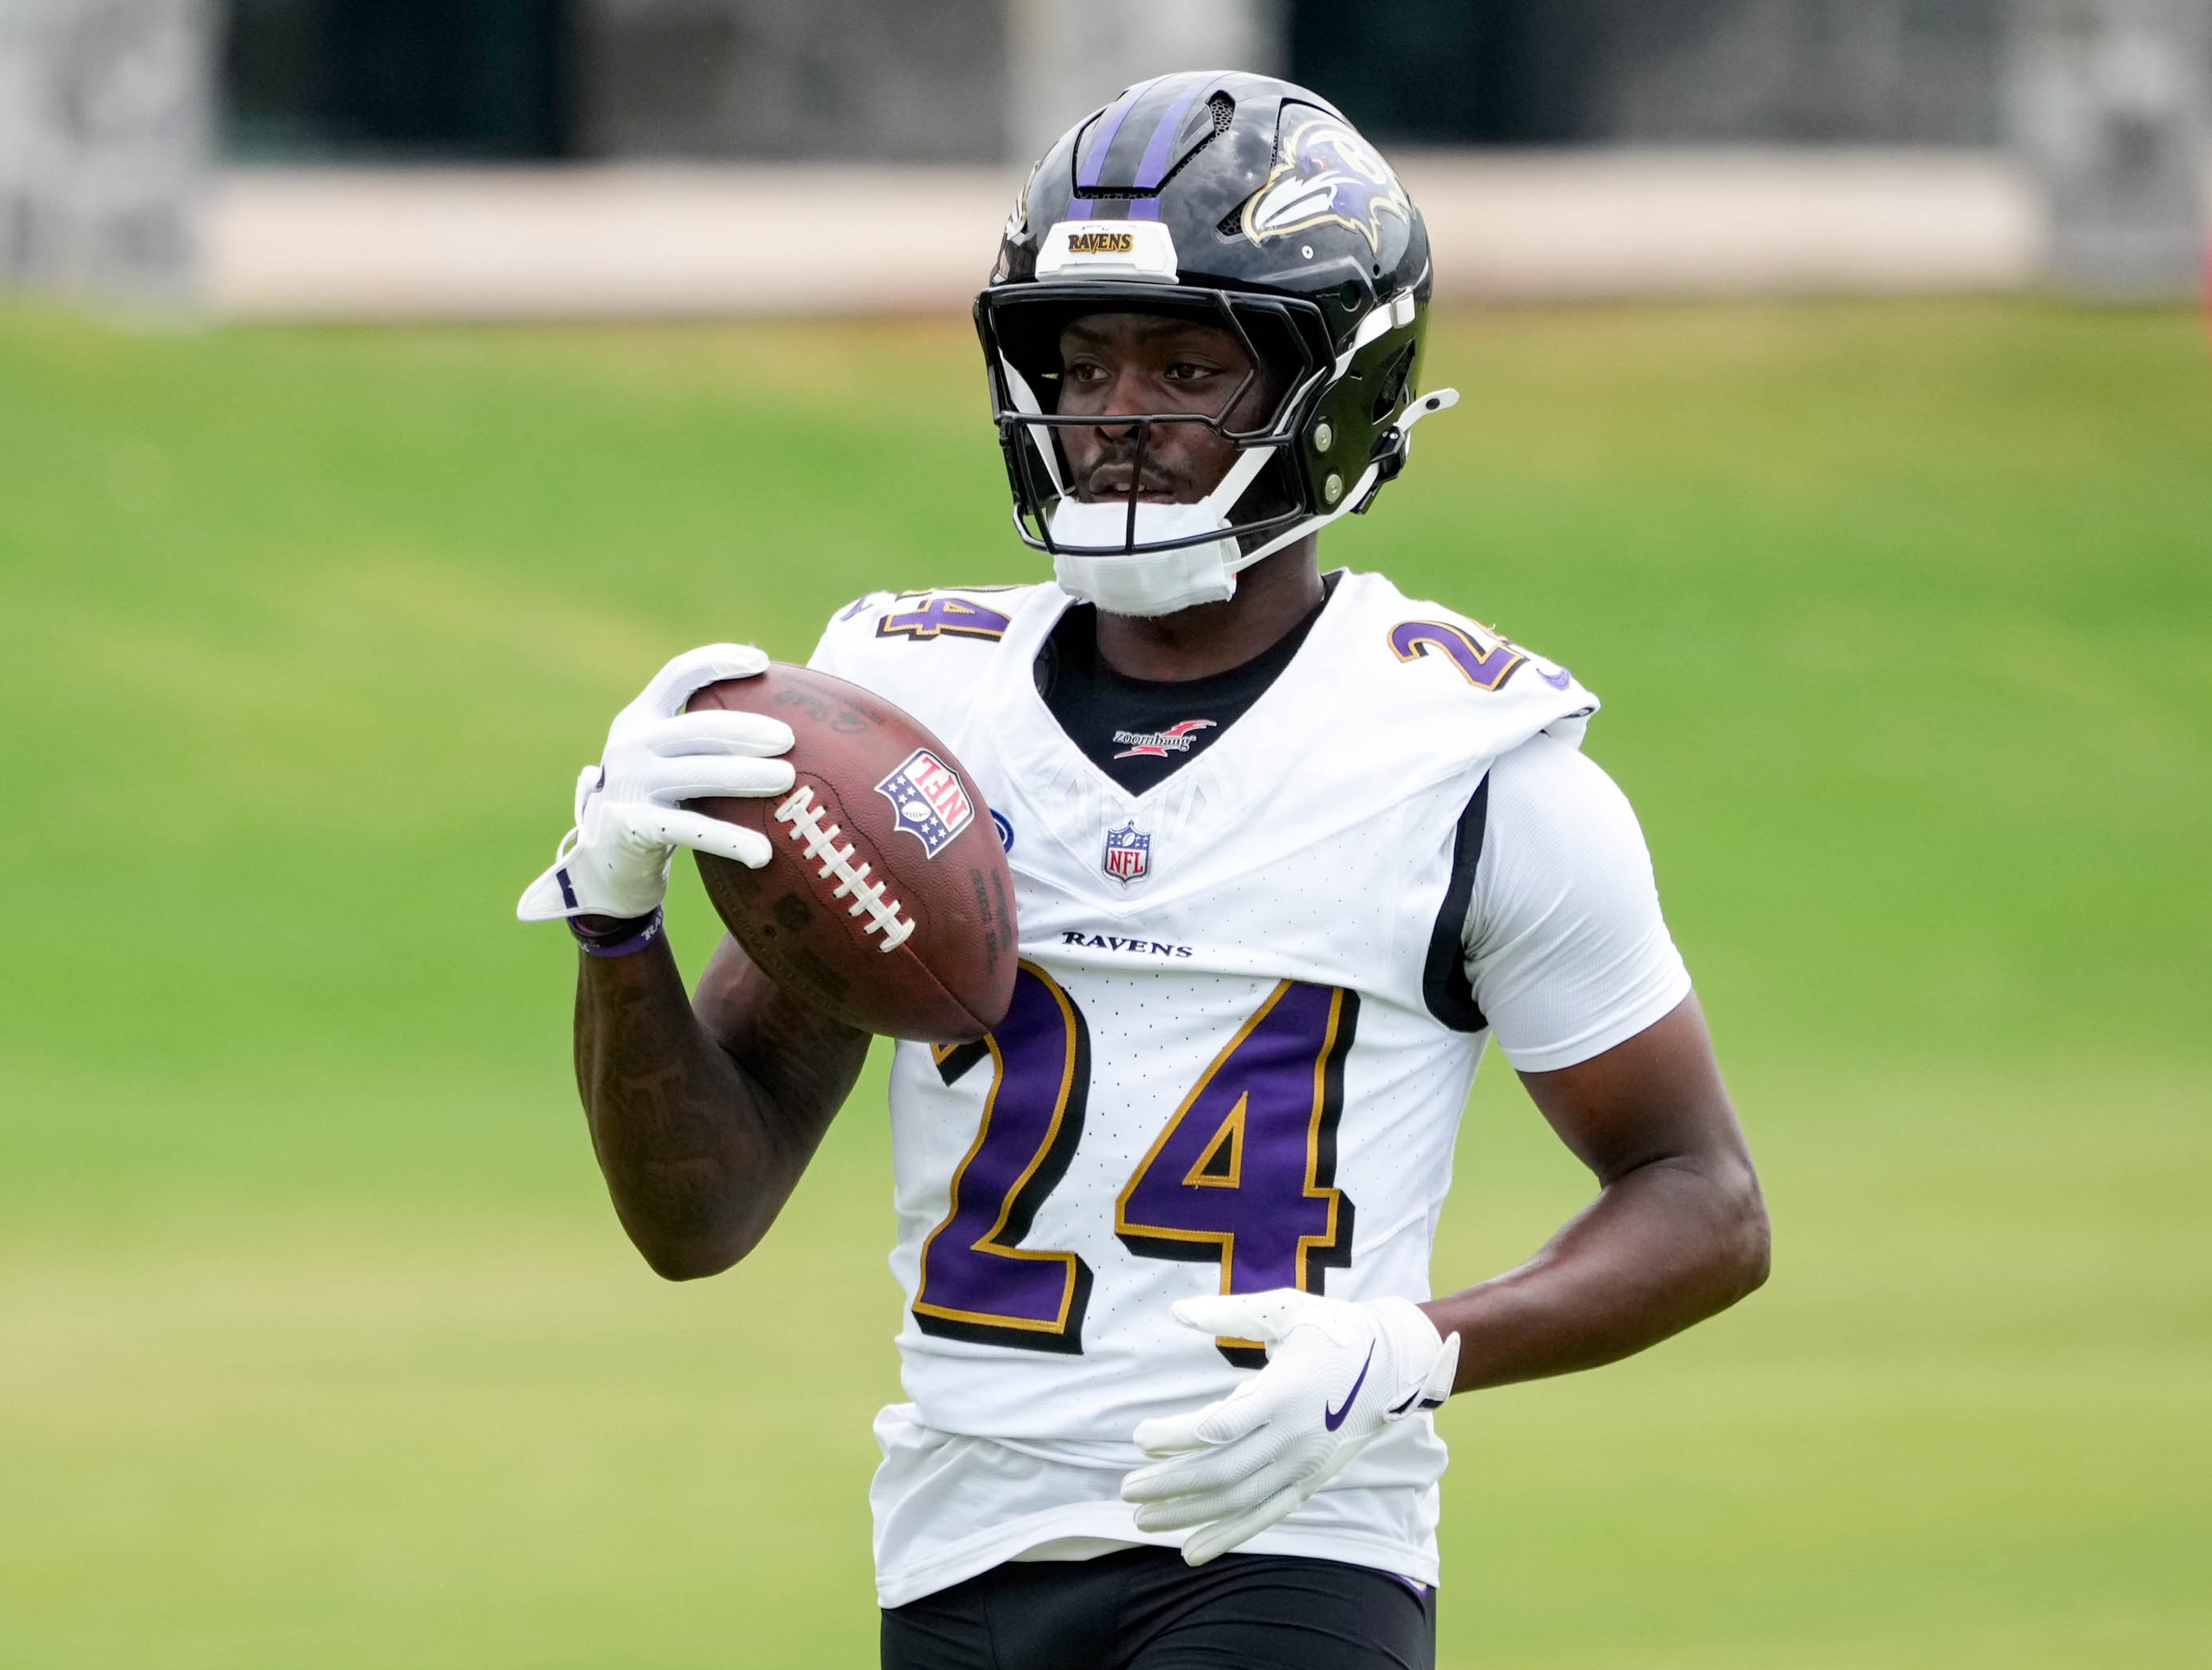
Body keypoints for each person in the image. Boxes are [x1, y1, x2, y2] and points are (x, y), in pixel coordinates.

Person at [519, 73, 1769, 1670]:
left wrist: (1407, 1350)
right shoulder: (911, 716)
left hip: (1288, 1549)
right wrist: (614, 920)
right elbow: (697, 1217)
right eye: (1081, 357)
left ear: (1335, 385)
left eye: (1186, 362)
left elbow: (1702, 1203)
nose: (1114, 410)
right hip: (956, 1541)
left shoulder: (1463, 761)